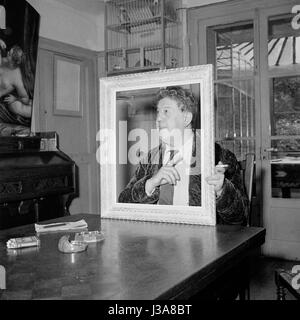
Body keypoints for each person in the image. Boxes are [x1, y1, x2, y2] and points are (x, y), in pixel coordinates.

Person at [118, 86, 248, 225]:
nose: (158, 119)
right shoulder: (150, 159)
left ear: (186, 118)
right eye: (158, 112)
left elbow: (241, 217)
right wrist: (150, 184)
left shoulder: (219, 157)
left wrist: (222, 190)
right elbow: (122, 203)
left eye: (166, 112)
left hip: (201, 241)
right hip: (157, 239)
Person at [0, 44, 32, 127]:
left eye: (9, 54)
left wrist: (15, 98)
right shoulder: (3, 60)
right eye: (9, 51)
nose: (7, 53)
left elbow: (25, 99)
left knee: (16, 107)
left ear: (13, 61)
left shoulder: (17, 78)